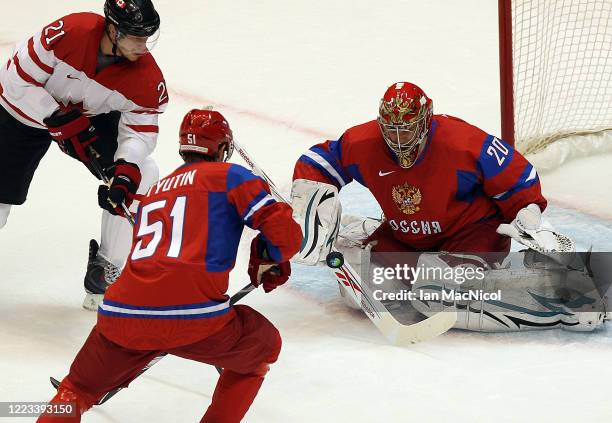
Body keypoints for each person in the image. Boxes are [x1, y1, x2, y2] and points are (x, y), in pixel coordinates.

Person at [37, 108, 303, 423]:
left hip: (121, 315)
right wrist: (269, 255)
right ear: (222, 149)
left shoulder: (154, 193)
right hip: (195, 320)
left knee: (77, 390)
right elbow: (287, 237)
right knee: (262, 348)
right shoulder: (231, 176)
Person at [290, 81, 606, 332]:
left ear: (425, 121)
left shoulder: (461, 142)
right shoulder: (363, 142)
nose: (399, 139)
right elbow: (317, 163)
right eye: (391, 129)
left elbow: (517, 176)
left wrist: (530, 217)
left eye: (407, 129)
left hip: (470, 233)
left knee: (439, 294)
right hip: (407, 235)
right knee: (363, 286)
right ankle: (362, 234)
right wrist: (310, 213)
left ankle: (566, 302)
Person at [0, 0, 167, 310]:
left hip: (89, 119)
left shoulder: (146, 77)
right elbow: (14, 79)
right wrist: (54, 115)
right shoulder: (70, 32)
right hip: (23, 114)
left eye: (147, 38)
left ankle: (104, 273)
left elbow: (141, 131)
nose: (143, 47)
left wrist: (125, 170)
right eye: (136, 37)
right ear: (113, 30)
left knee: (142, 173)